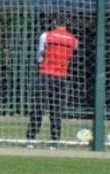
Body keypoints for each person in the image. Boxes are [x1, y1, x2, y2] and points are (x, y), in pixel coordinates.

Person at [25, 16, 78, 149]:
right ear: (66, 24)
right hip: (61, 77)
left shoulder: (46, 36)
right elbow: (72, 58)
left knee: (38, 108)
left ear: (54, 23)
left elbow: (39, 56)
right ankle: (54, 141)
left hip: (45, 75)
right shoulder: (73, 40)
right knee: (56, 111)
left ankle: (31, 139)